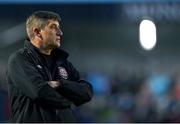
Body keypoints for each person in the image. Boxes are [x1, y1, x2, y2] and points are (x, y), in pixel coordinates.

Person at [7, 11, 93, 123]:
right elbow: (39, 92)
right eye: (53, 27)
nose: (60, 32)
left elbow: (87, 92)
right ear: (38, 32)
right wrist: (69, 98)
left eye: (59, 27)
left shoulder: (63, 62)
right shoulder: (19, 59)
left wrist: (60, 84)